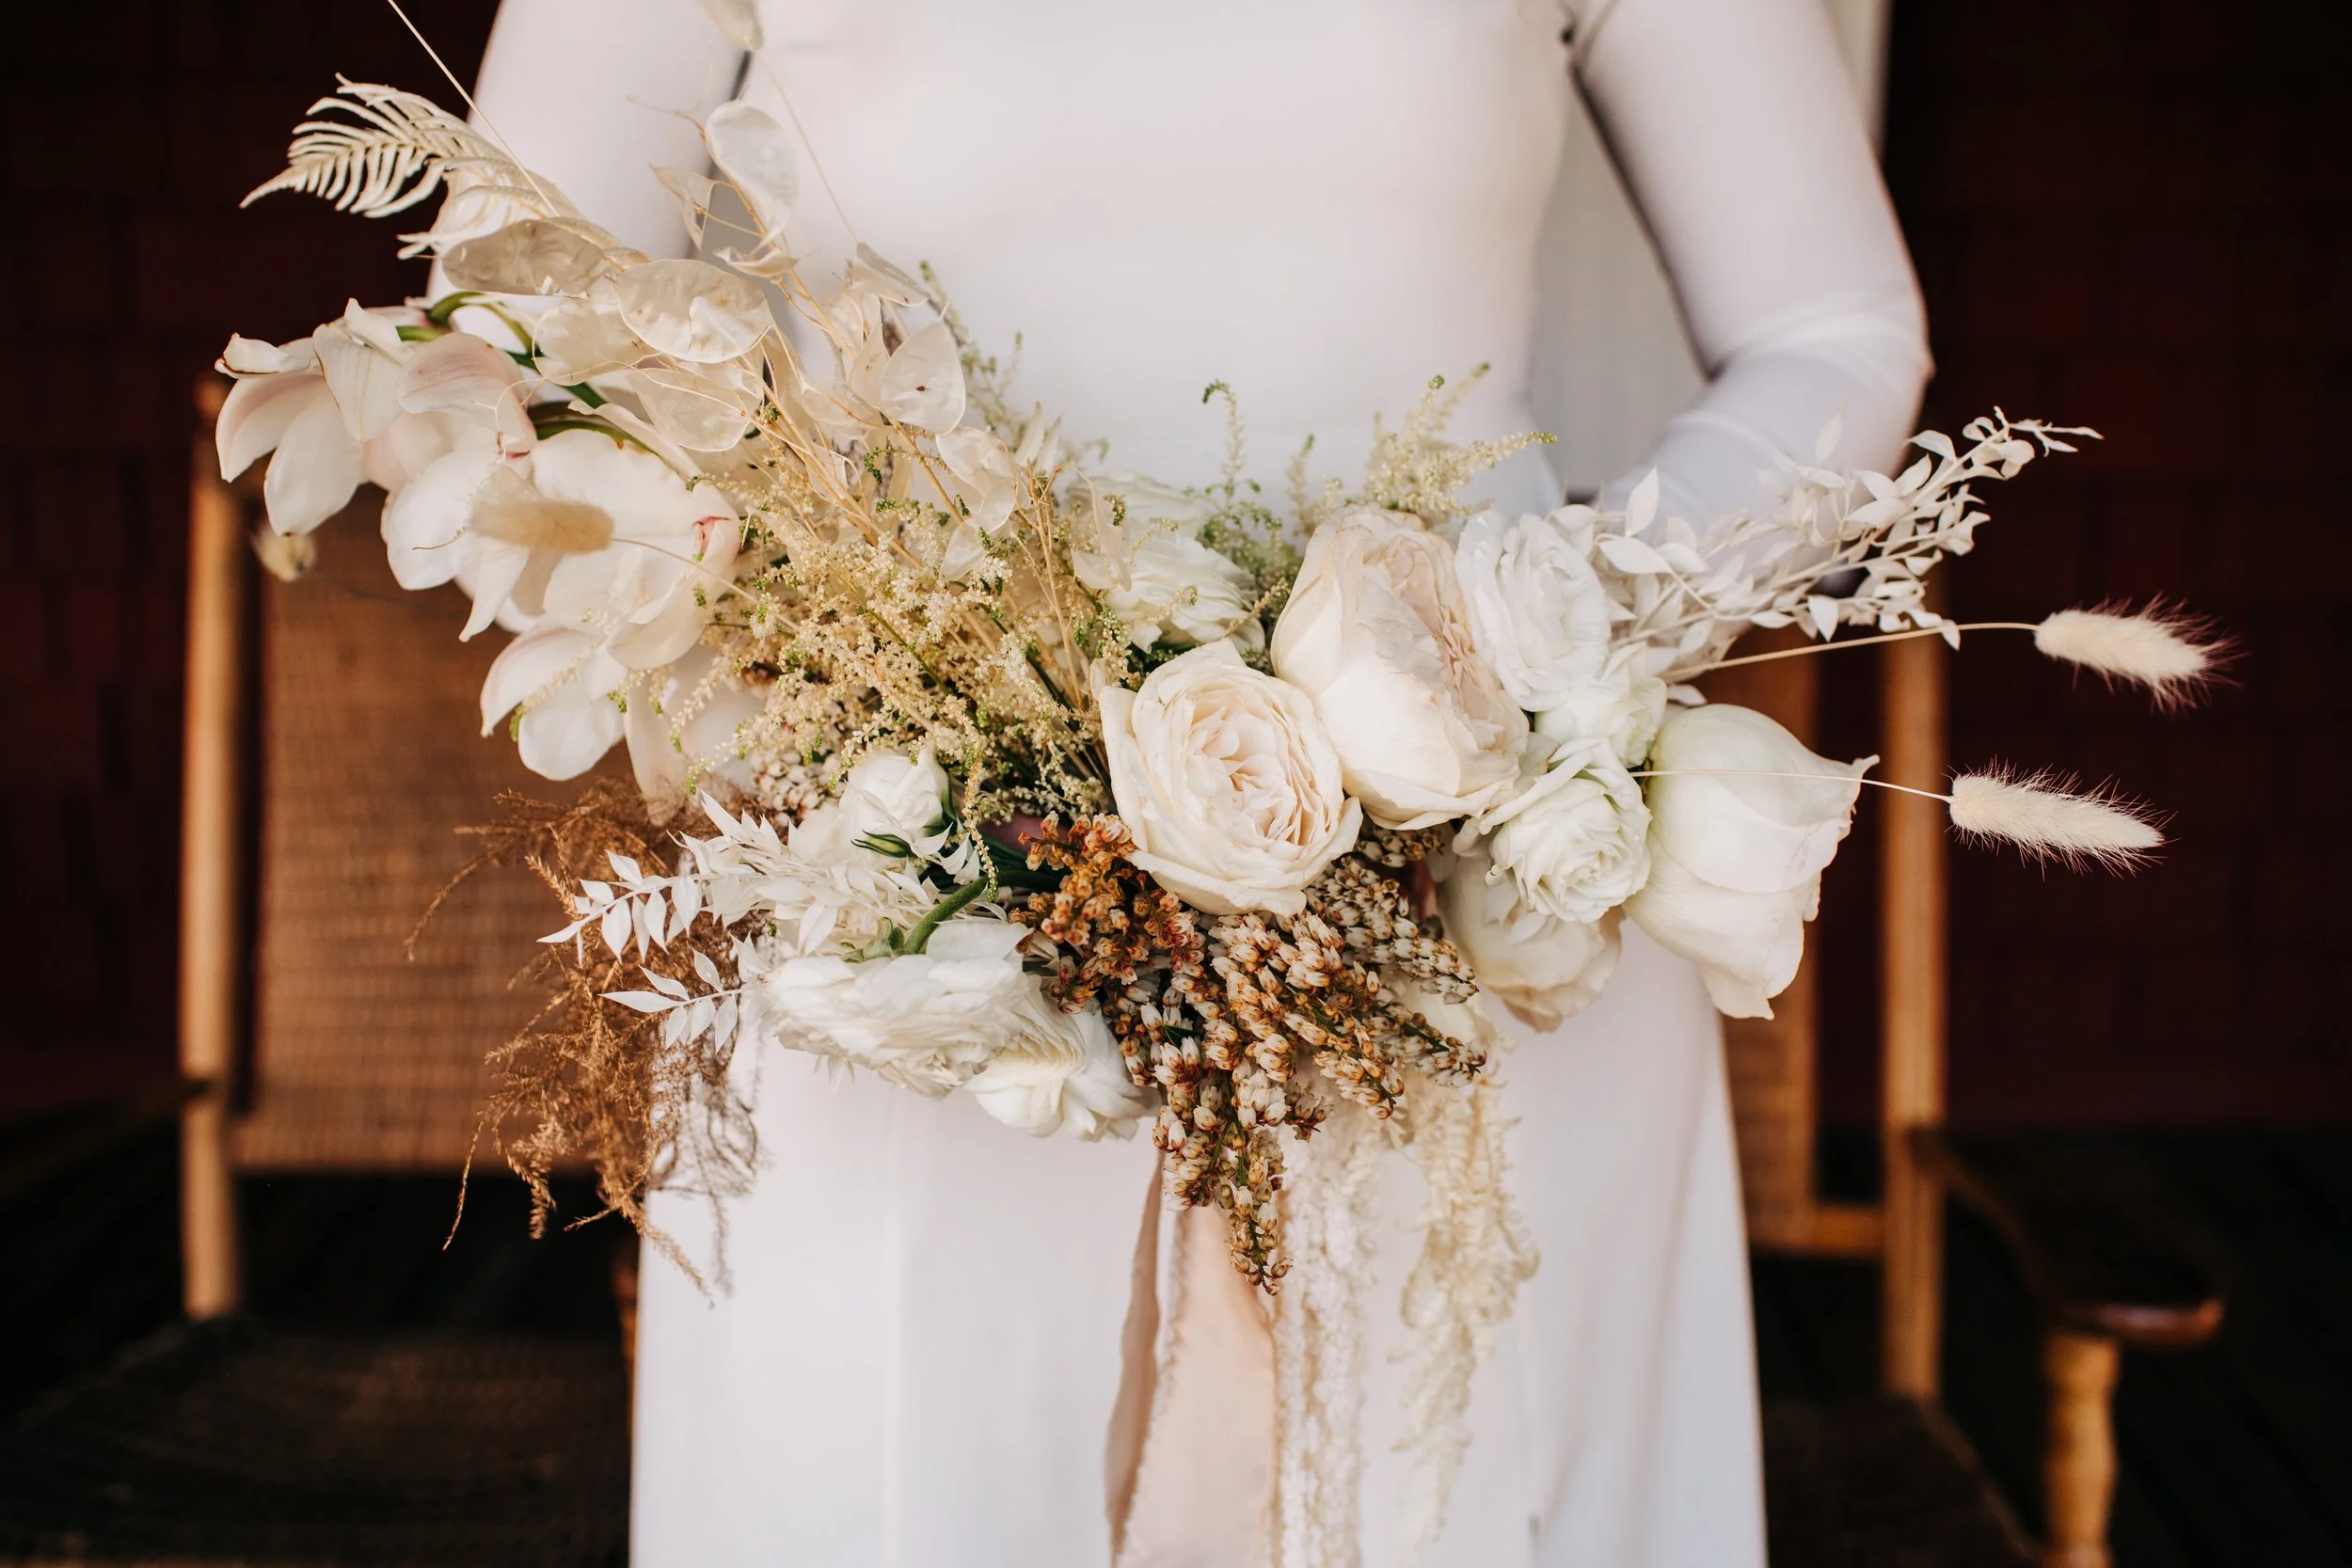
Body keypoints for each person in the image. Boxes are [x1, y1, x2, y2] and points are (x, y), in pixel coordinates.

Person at [463, 0, 1929, 1561]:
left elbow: (1833, 332)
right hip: (914, 921)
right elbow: (506, 330)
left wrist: (1542, 646)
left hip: (1467, 913)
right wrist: (833, 649)